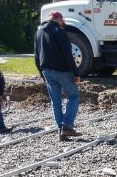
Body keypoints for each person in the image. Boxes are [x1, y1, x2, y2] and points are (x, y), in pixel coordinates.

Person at [34, 11, 81, 140]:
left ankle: (61, 131)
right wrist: (76, 73)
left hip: (46, 71)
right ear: (59, 19)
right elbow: (67, 54)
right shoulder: (59, 31)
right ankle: (67, 126)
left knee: (56, 103)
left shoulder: (39, 32)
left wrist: (41, 74)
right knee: (73, 96)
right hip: (62, 71)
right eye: (62, 20)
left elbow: (36, 56)